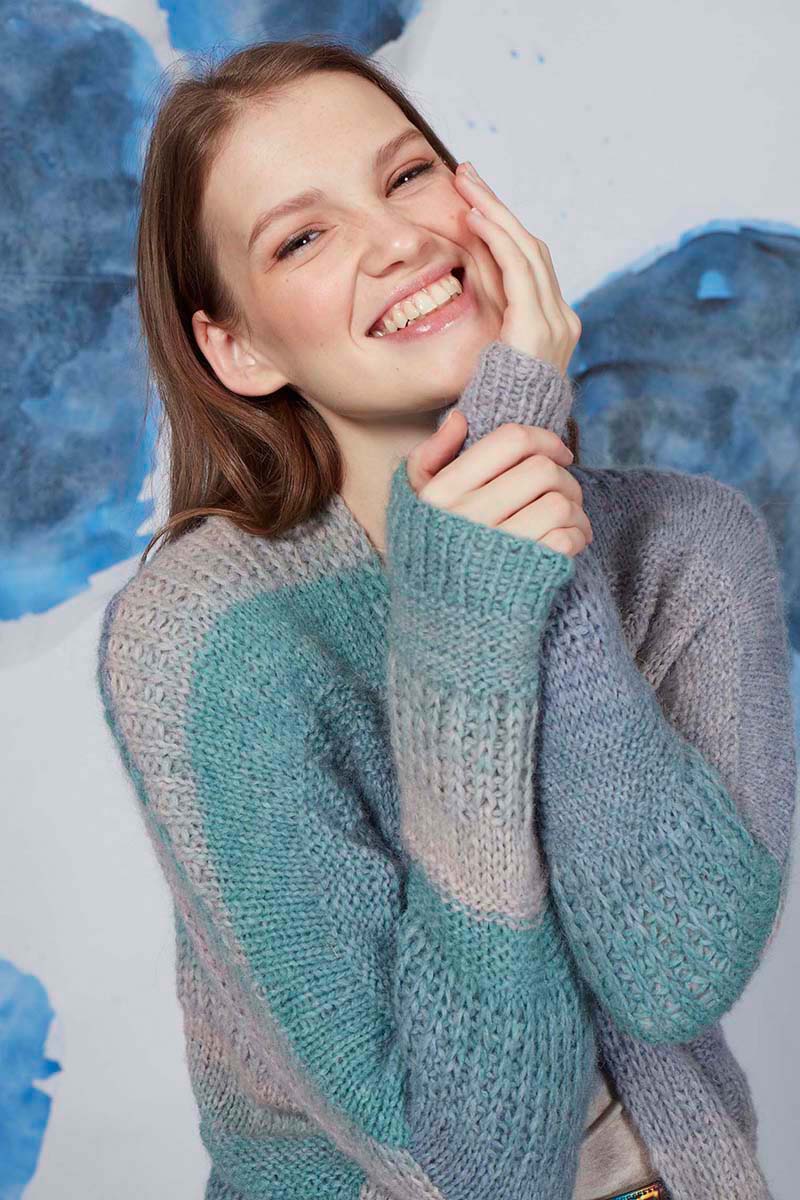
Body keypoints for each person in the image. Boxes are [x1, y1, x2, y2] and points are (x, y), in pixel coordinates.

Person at [97, 37, 797, 1200]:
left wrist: (529, 508)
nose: (397, 241)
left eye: (408, 175)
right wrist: (467, 618)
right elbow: (475, 1161)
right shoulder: (206, 637)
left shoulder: (693, 547)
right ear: (236, 346)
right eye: (302, 238)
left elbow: (671, 973)